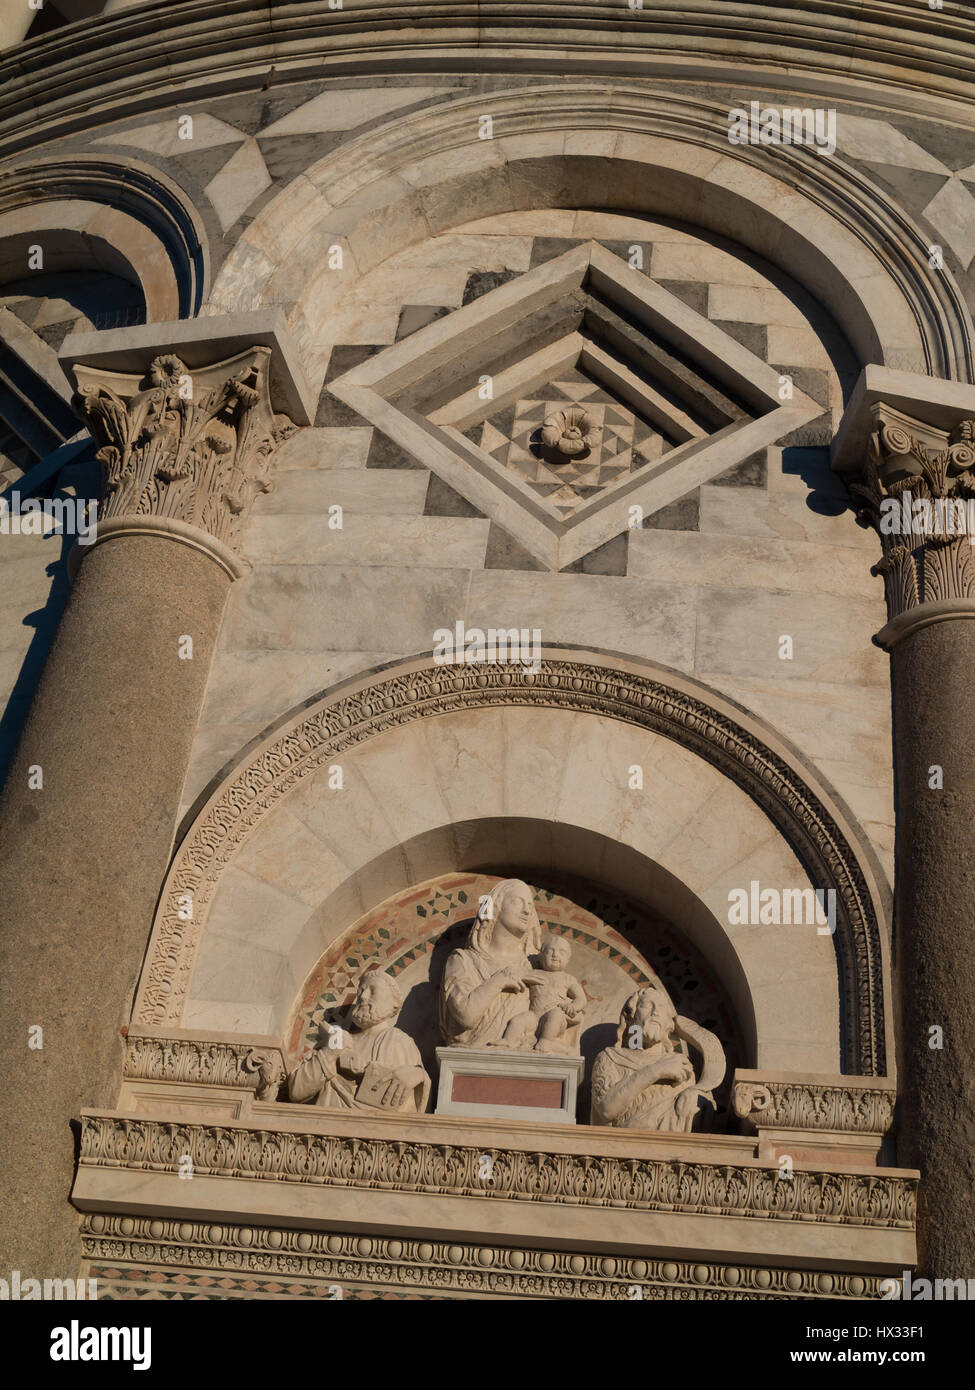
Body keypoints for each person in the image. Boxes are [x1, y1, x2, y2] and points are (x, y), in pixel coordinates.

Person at [288, 970, 430, 1112]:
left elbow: (406, 1107)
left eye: (373, 991)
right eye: (361, 991)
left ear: (394, 1005)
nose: (363, 996)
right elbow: (296, 1092)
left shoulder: (399, 1042)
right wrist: (331, 1053)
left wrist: (417, 1074)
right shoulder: (335, 1039)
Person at [440, 878, 541, 1049]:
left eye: (530, 905)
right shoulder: (463, 961)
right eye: (518, 901)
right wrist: (499, 980)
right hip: (468, 1062)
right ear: (495, 907)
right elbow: (466, 1016)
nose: (526, 911)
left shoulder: (532, 967)